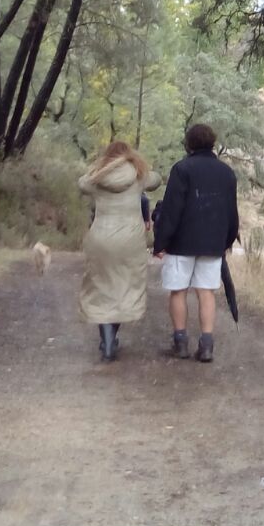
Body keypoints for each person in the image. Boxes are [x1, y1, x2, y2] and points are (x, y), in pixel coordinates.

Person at [152, 123, 239, 363]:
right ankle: (206, 346)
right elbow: (231, 212)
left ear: (188, 144)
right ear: (212, 143)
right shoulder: (226, 173)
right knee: (206, 292)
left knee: (178, 291)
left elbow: (172, 210)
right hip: (212, 243)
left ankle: (180, 343)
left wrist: (160, 243)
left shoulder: (182, 169)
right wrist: (227, 240)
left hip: (181, 243)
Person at [78, 140, 161, 361]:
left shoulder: (97, 178)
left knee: (101, 286)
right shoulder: (139, 175)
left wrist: (99, 168)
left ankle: (106, 342)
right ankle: (111, 337)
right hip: (130, 240)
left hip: (101, 238)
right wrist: (137, 163)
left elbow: (81, 183)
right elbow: (156, 180)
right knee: (124, 287)